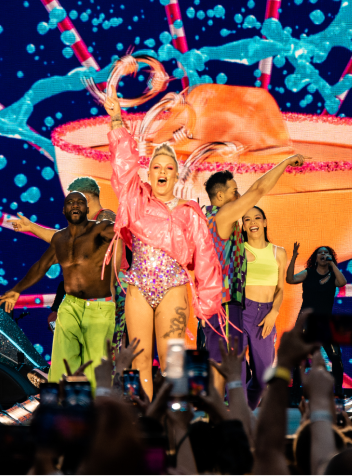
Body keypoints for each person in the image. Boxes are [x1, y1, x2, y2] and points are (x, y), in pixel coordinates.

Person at [101, 95, 224, 400]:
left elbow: (206, 259)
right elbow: (123, 168)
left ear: (176, 173)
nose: (162, 172)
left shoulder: (189, 211)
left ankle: (174, 419)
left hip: (174, 288)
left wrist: (208, 305)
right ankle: (146, 420)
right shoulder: (136, 199)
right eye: (156, 166)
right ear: (150, 171)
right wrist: (117, 120)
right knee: (140, 359)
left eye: (168, 167)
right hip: (138, 287)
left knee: (173, 361)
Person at [200, 153, 304, 396]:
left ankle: (231, 418)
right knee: (223, 368)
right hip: (222, 304)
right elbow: (257, 190)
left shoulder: (225, 222)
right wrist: (286, 162)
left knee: (231, 369)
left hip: (229, 304)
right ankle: (219, 421)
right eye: (234, 191)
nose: (239, 196)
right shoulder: (221, 216)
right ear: (220, 196)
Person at [0, 192, 117, 385]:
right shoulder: (60, 239)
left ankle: (98, 410)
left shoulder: (101, 229)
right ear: (63, 210)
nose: (75, 205)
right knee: (62, 364)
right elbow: (40, 266)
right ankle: (58, 406)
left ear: (87, 210)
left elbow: (120, 231)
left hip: (99, 308)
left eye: (80, 202)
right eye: (70, 202)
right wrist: (17, 290)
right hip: (70, 306)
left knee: (98, 371)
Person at [226, 205, 287, 407]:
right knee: (239, 372)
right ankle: (240, 419)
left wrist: (274, 313)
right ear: (242, 226)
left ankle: (246, 411)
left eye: (257, 218)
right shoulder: (238, 250)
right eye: (247, 220)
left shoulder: (279, 252)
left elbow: (281, 289)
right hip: (241, 311)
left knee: (262, 378)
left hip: (266, 315)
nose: (252, 223)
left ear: (265, 222)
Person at [286, 243, 348, 396]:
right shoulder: (309, 273)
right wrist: (293, 257)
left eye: (326, 252)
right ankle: (296, 392)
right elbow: (290, 279)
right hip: (306, 321)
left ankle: (338, 391)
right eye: (320, 252)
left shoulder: (333, 275)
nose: (323, 254)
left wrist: (333, 264)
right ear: (315, 258)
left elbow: (343, 283)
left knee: (335, 356)